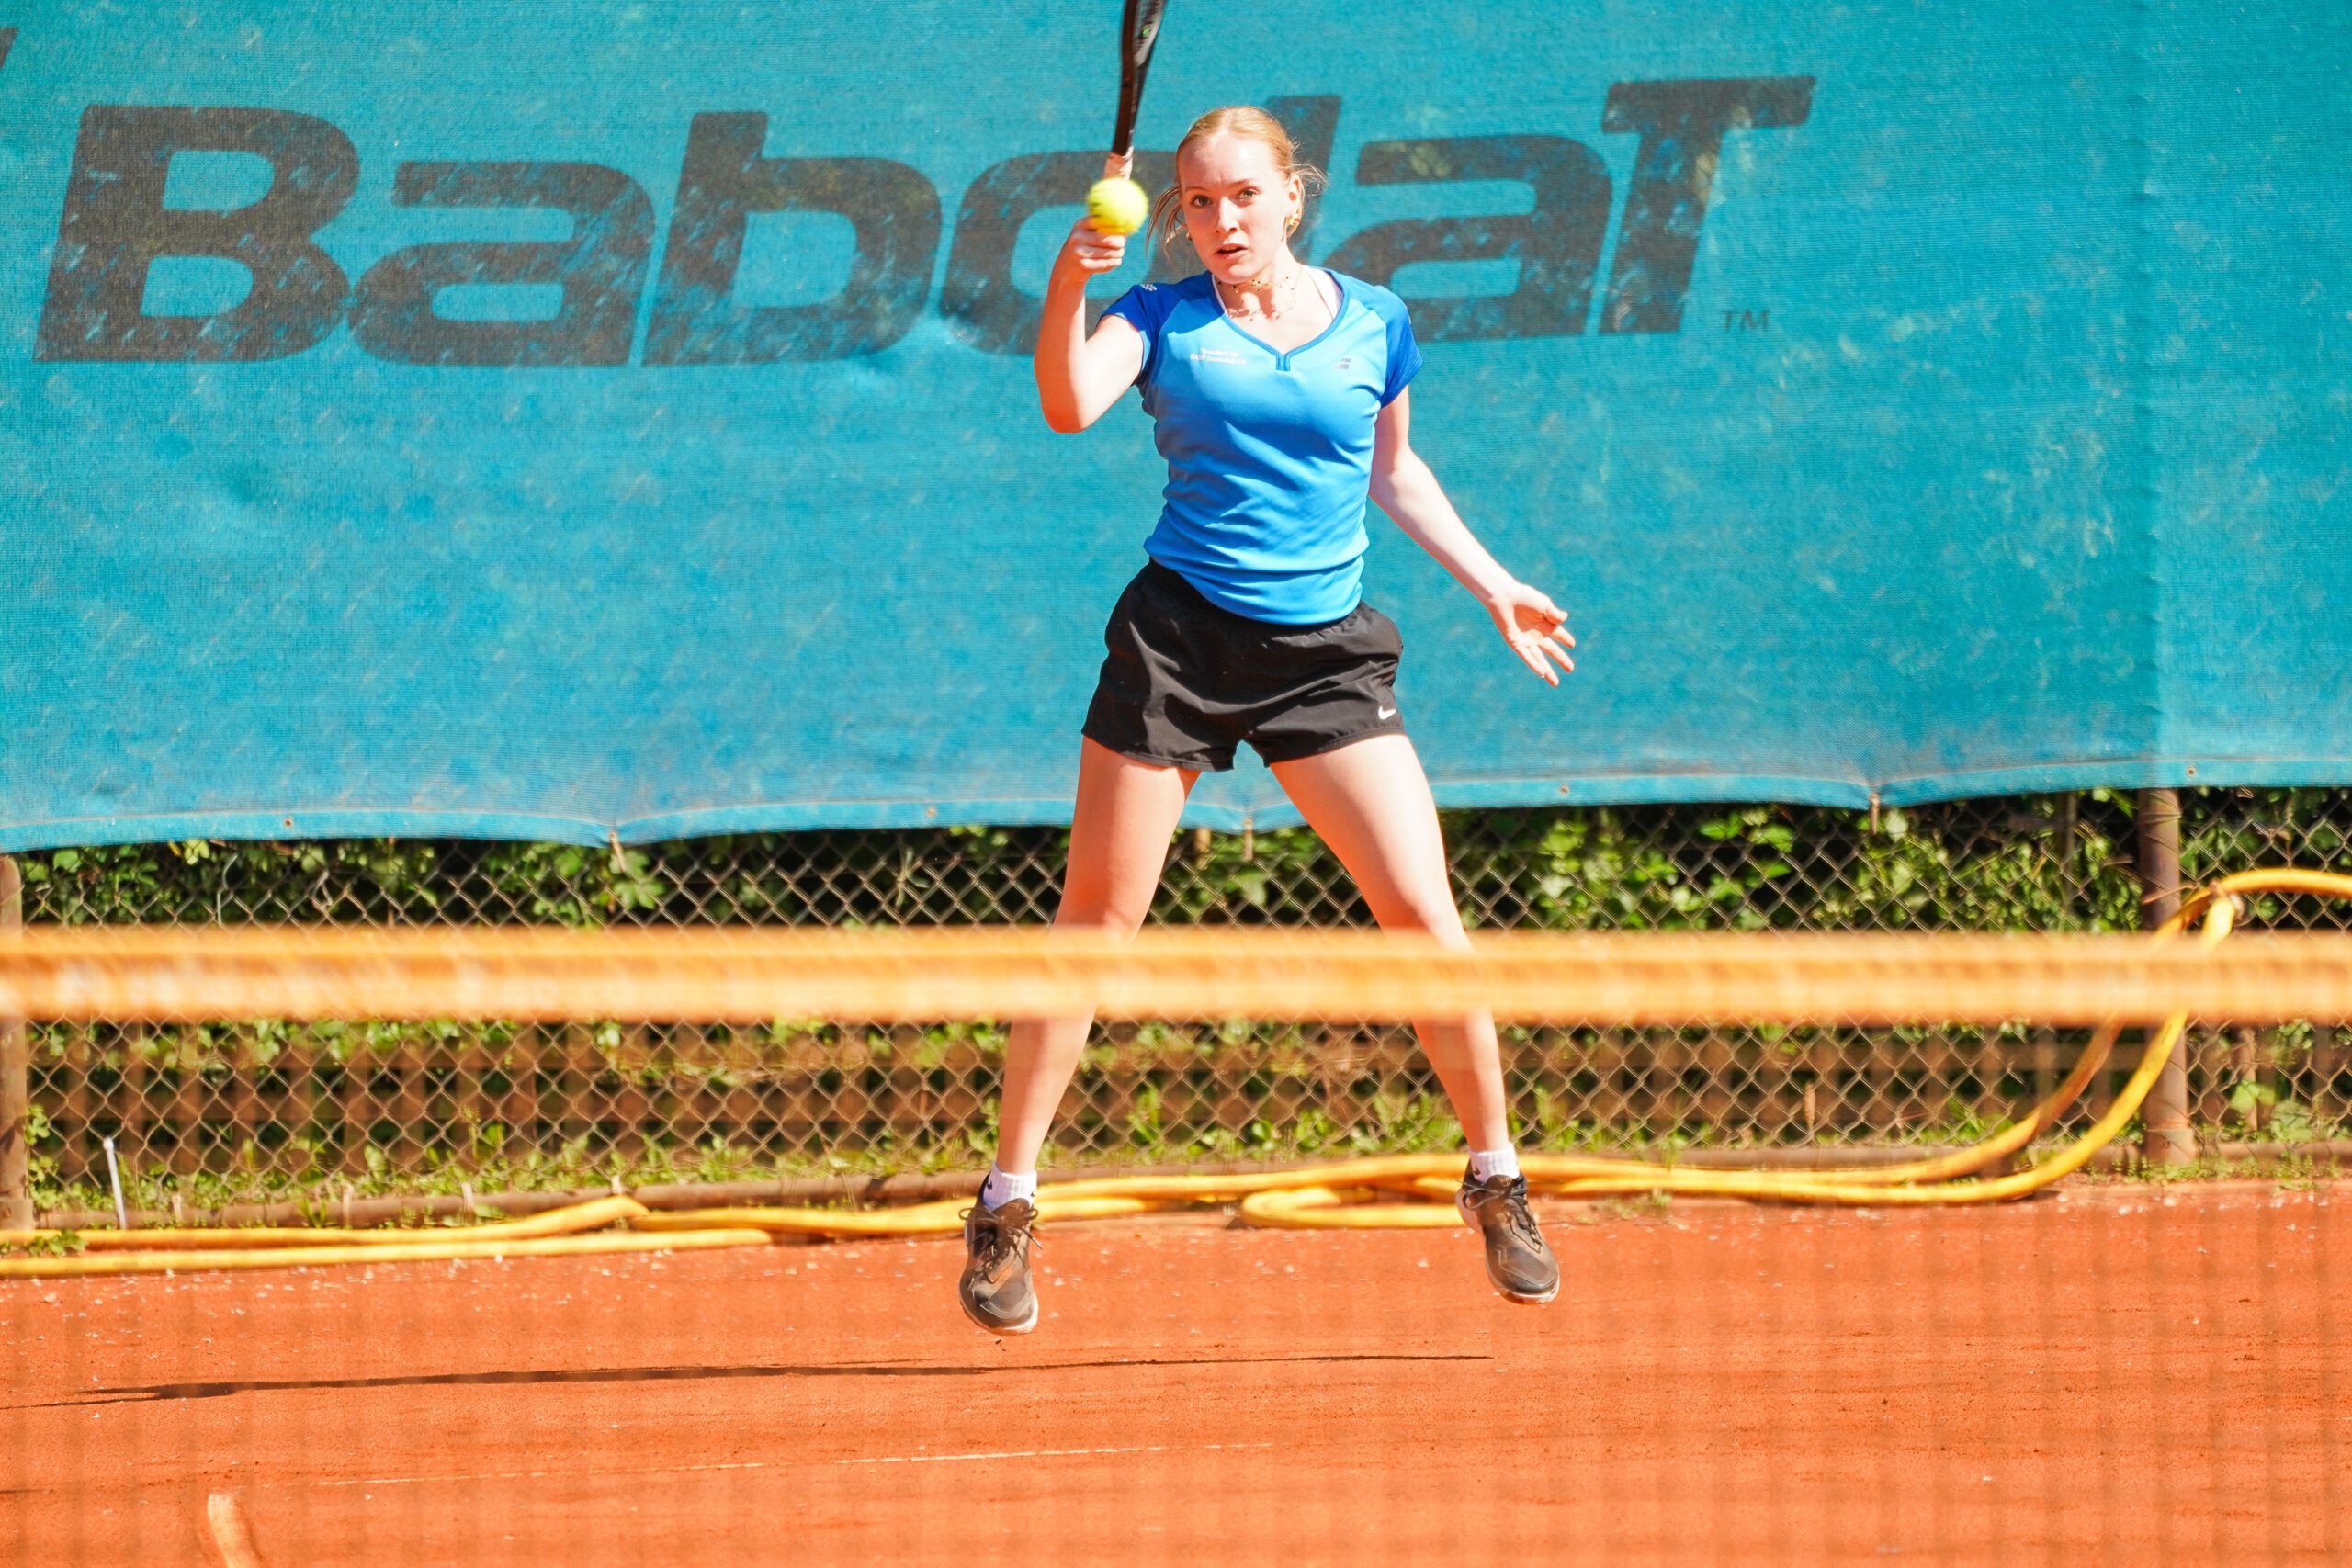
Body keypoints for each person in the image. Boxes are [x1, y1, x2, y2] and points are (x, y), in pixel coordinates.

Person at [958, 106, 1577, 1336]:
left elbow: (1392, 471)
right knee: (1095, 926)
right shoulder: (1158, 317)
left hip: (1324, 656)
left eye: (1243, 196)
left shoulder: (1376, 322)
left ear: (1293, 197)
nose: (1220, 220)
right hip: (1179, 642)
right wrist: (1066, 289)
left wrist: (1493, 580)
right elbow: (1069, 407)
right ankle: (1005, 1204)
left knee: (1422, 910)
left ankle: (1496, 1174)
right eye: (1198, 202)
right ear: (1177, 214)